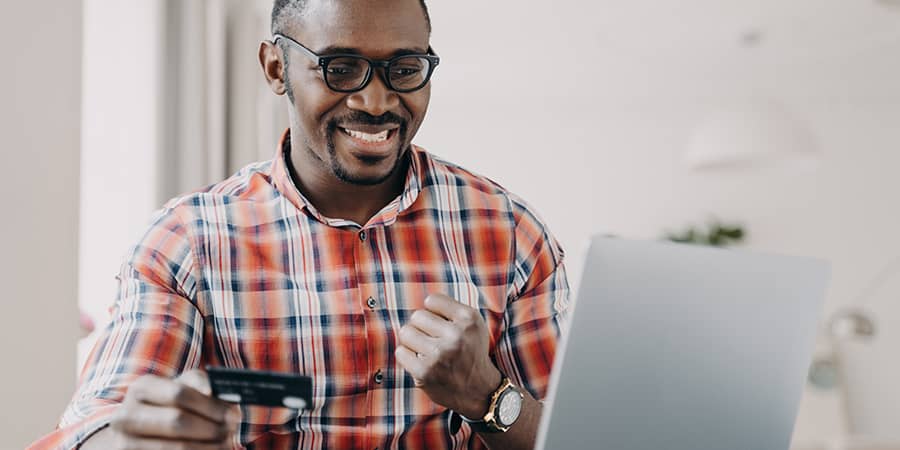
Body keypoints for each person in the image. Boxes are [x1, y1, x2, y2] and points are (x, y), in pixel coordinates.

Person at [31, 0, 569, 448]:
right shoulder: (187, 242)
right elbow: (96, 423)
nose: (376, 101)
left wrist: (488, 396)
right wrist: (133, 436)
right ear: (275, 68)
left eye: (403, 69)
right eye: (340, 68)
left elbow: (580, 436)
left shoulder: (510, 233)